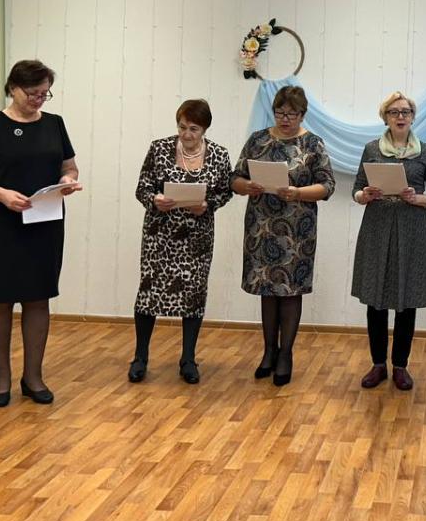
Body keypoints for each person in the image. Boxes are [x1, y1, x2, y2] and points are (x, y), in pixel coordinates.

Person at [0, 59, 82, 407]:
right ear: (13, 88)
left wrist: (67, 181)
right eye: (32, 93)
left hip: (44, 223)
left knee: (38, 298)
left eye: (45, 94)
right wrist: (2, 195)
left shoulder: (54, 124)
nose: (39, 99)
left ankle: (33, 377)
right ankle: (1, 377)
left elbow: (69, 167)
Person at [231, 85, 335, 386]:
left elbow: (327, 186)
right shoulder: (258, 139)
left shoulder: (312, 144)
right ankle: (268, 352)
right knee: (267, 290)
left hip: (297, 231)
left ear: (302, 114)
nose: (285, 119)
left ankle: (286, 354)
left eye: (292, 114)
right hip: (262, 226)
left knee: (289, 291)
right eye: (280, 113)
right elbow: (234, 178)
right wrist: (246, 186)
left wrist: (298, 192)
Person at [129, 99, 232, 385]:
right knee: (149, 293)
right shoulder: (159, 148)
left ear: (205, 129)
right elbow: (142, 187)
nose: (186, 134)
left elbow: (225, 191)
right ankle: (140, 357)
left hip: (197, 236)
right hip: (159, 233)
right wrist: (155, 199)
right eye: (182, 127)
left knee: (194, 294)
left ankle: (188, 359)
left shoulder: (219, 155)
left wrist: (208, 204)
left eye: (193, 129)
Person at [351, 92, 426, 391]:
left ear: (413, 117)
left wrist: (418, 198)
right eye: (394, 112)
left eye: (405, 111)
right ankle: (378, 364)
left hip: (412, 230)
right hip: (377, 228)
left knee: (407, 300)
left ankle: (401, 366)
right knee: (375, 298)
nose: (400, 116)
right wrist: (365, 195)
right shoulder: (371, 149)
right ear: (385, 118)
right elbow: (356, 190)